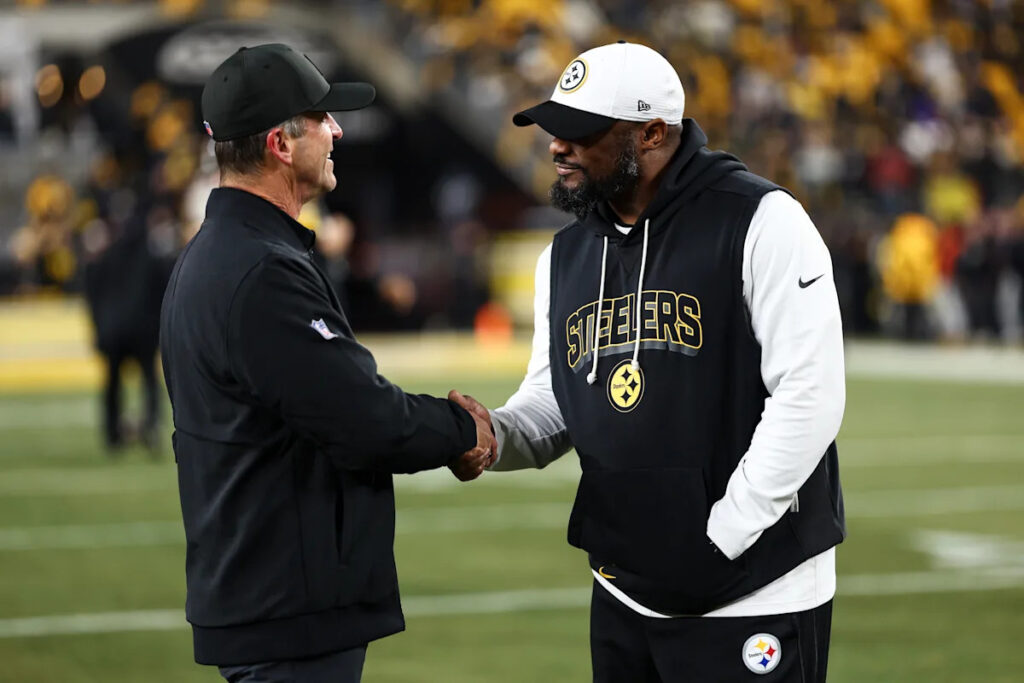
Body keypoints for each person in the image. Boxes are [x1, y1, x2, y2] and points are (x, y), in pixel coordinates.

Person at [452, 42, 846, 682]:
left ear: (653, 133)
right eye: (554, 130)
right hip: (623, 589)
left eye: (580, 133)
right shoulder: (566, 253)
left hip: (752, 590)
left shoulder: (763, 219)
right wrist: (493, 435)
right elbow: (557, 398)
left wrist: (720, 537)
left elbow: (811, 394)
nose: (557, 147)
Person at [159, 44, 495, 683]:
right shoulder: (260, 270)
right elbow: (363, 417)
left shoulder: (223, 254)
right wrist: (462, 430)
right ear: (280, 144)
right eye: (321, 118)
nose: (336, 130)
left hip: (263, 593)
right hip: (286, 604)